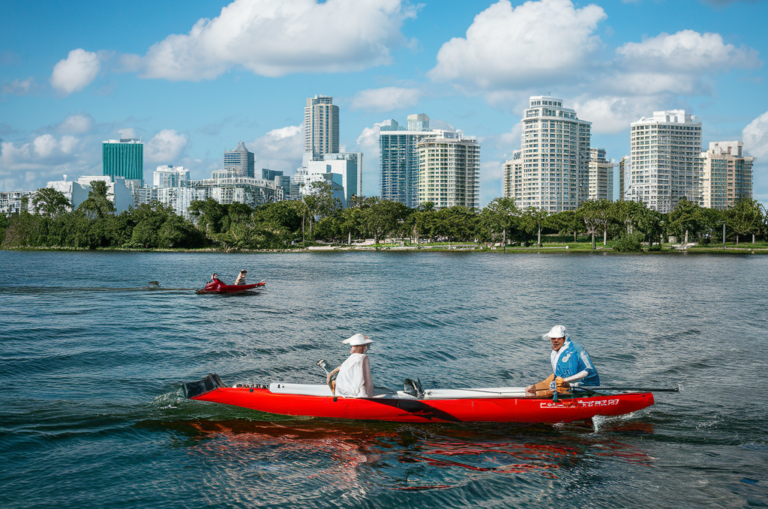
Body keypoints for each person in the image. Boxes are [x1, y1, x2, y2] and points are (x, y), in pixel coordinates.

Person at [526, 325, 599, 395]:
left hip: (585, 387)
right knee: (532, 391)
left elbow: (589, 370)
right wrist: (536, 387)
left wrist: (565, 380)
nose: (555, 341)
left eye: (559, 338)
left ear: (564, 338)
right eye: (553, 338)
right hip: (566, 386)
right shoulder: (554, 354)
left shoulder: (576, 349)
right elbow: (555, 377)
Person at [327, 334, 374, 398]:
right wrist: (365, 395)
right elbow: (362, 378)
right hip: (351, 394)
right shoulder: (363, 358)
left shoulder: (352, 358)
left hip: (341, 390)